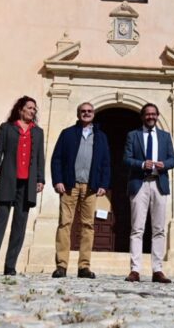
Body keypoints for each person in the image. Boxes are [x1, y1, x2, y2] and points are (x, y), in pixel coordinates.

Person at [0, 95, 45, 276]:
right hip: (8, 179)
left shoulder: (38, 132)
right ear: (20, 109)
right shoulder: (7, 128)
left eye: (34, 109)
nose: (32, 111)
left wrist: (40, 179)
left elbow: (40, 157)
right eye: (30, 108)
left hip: (27, 183)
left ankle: (10, 266)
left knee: (19, 225)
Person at [49, 102, 111, 279]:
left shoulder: (101, 137)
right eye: (83, 111)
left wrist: (103, 184)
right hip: (69, 185)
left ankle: (84, 266)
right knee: (64, 224)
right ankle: (61, 265)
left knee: (88, 225)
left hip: (90, 187)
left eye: (89, 111)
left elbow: (106, 162)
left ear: (93, 114)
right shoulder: (67, 133)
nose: (86, 113)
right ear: (78, 114)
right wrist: (58, 180)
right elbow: (57, 159)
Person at [122, 103, 174, 283]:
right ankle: (135, 270)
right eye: (147, 114)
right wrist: (140, 164)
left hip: (158, 184)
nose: (151, 117)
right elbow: (126, 158)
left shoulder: (165, 136)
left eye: (153, 114)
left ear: (157, 115)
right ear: (143, 116)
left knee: (159, 229)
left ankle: (157, 270)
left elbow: (173, 159)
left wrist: (165, 164)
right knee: (137, 228)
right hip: (140, 184)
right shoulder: (133, 135)